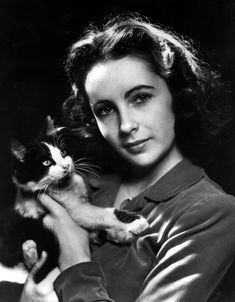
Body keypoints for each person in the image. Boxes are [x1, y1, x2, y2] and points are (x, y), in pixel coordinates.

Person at [17, 14, 235, 302]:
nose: (125, 126)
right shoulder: (84, 183)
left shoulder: (212, 212)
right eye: (106, 109)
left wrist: (76, 260)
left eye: (141, 98)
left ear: (177, 94)